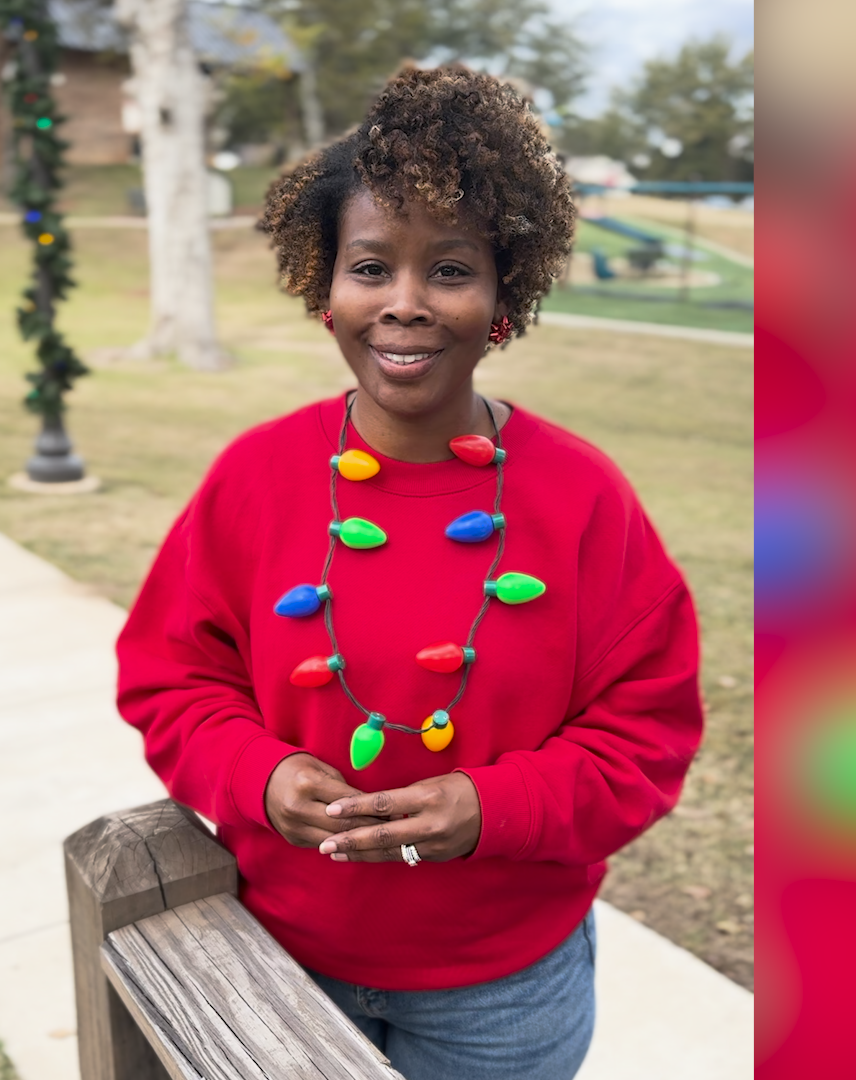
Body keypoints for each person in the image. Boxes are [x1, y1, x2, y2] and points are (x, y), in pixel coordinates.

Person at [116, 63, 703, 1080]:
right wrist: (258, 772)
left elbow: (644, 737)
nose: (406, 304)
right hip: (283, 960)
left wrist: (492, 809)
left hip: (503, 993)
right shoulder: (255, 479)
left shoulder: (584, 501)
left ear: (502, 297)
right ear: (325, 289)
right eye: (372, 266)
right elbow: (171, 679)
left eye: (451, 271)